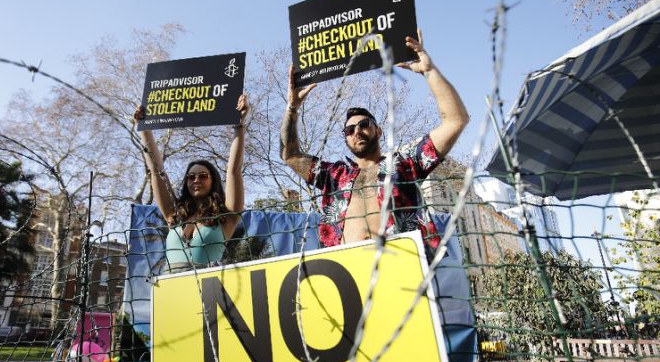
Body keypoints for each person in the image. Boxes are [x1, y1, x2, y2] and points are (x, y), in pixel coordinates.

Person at [280, 30, 469, 251]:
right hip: (346, 274)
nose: (357, 131)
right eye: (349, 129)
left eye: (364, 124)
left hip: (402, 268)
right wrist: (292, 108)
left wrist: (429, 70)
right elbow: (290, 155)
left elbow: (455, 120)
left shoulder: (405, 164)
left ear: (378, 130)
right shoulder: (334, 176)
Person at [134, 94, 249, 273]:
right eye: (191, 177)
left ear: (213, 181)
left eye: (203, 176)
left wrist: (239, 125)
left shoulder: (227, 217)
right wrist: (144, 128)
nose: (196, 180)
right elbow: (156, 172)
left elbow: (234, 170)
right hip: (170, 288)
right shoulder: (174, 215)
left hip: (209, 290)